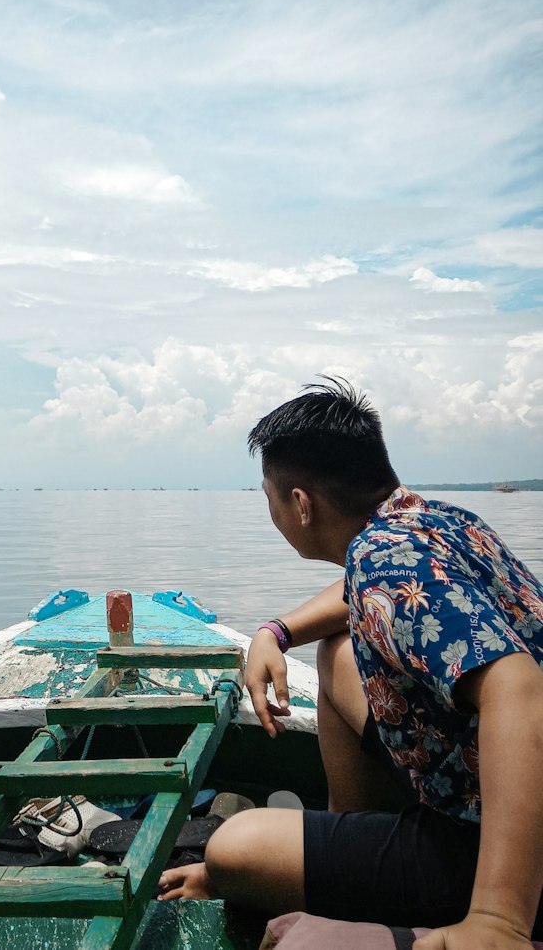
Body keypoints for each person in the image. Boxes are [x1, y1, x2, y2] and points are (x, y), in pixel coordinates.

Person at [158, 377, 543, 950]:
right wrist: (275, 632)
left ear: (301, 504)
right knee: (338, 650)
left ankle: (472, 909)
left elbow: (518, 685)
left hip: (503, 842)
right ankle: (344, 846)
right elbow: (362, 595)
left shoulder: (385, 567)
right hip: (482, 780)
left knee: (233, 850)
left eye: (269, 499)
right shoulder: (436, 523)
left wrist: (498, 919)